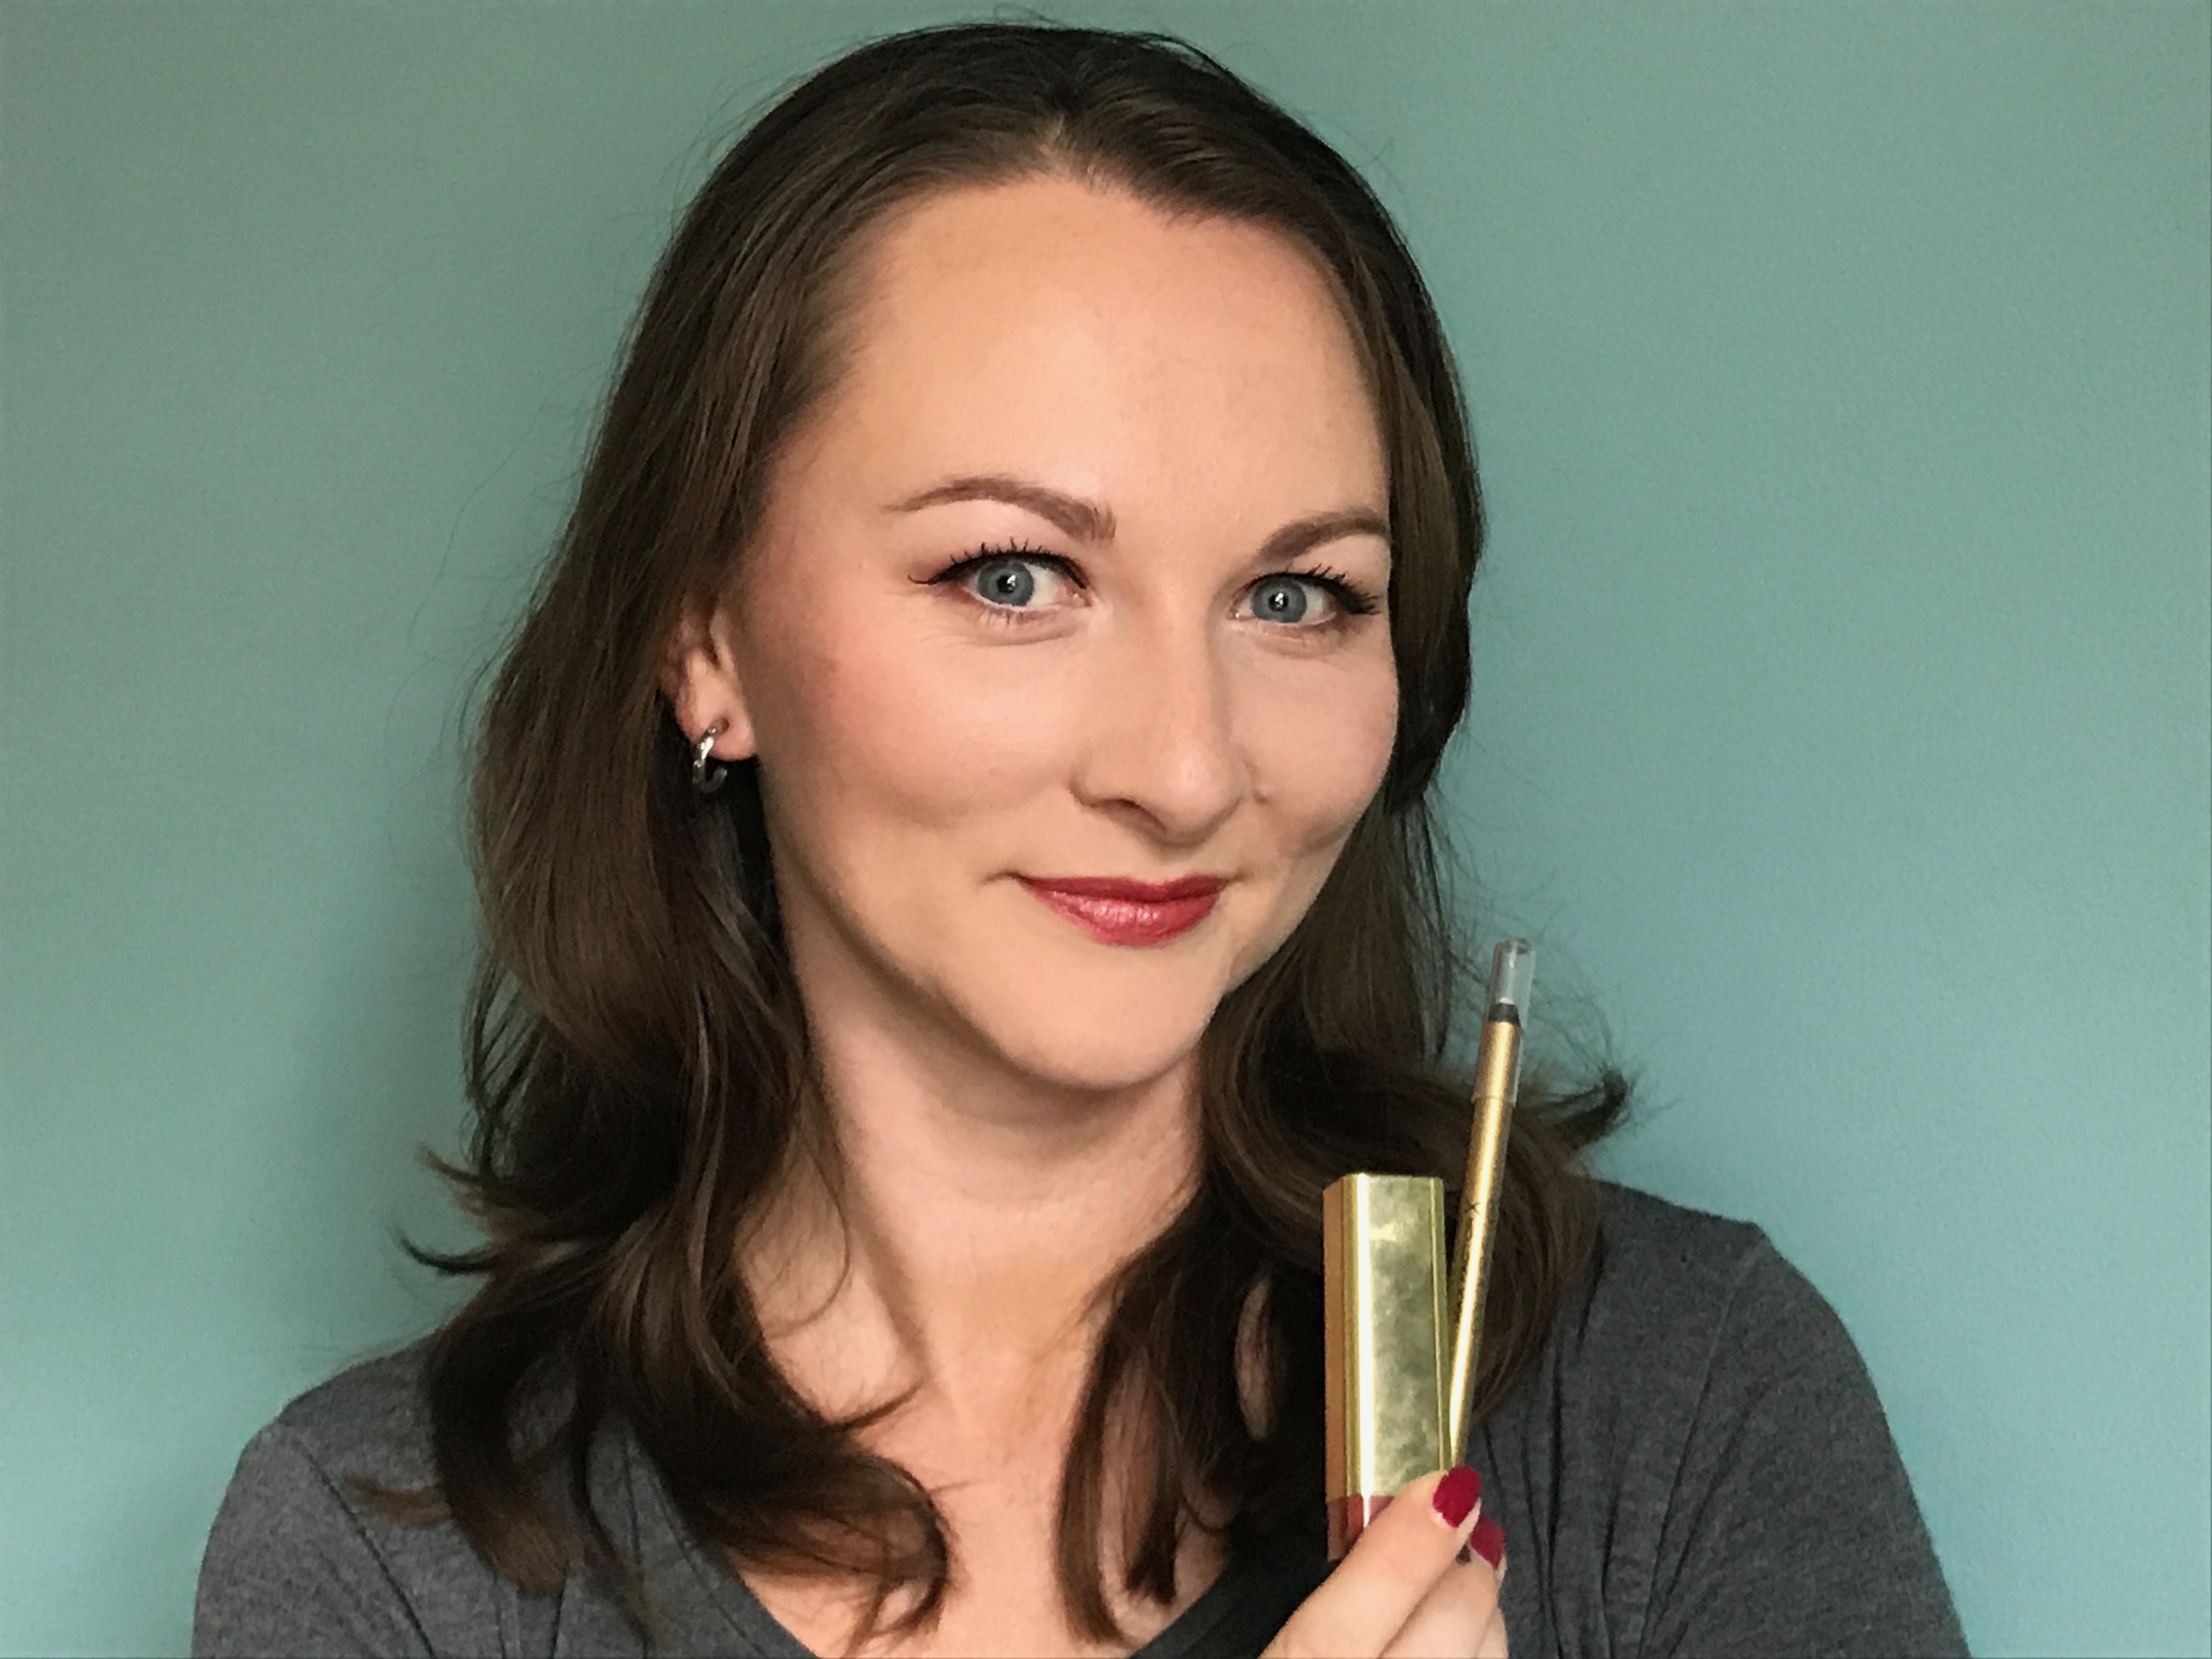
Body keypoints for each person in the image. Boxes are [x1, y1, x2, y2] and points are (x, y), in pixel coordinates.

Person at [193, 24, 1966, 1658]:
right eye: (1012, 576)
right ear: (704, 636)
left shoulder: (1685, 1399)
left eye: (1298, 595)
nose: (1184, 770)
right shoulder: (387, 1561)